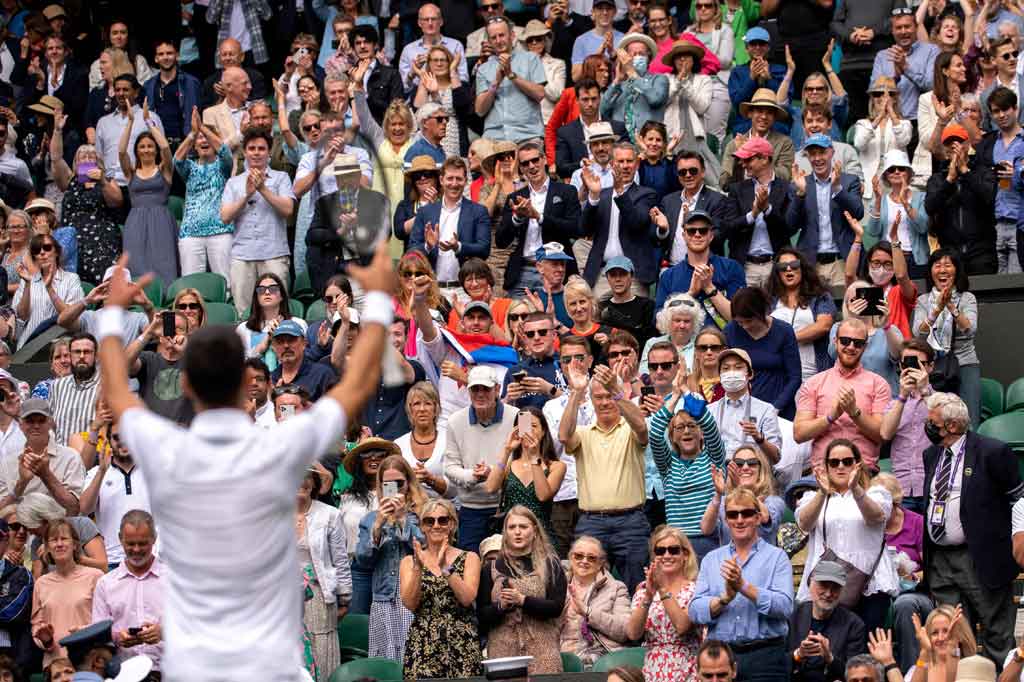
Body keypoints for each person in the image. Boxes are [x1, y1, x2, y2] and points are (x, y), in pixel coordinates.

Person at [95, 244, 394, 681]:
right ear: (245, 381)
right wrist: (381, 301)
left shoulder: (165, 450)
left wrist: (110, 314)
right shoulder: (279, 449)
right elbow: (360, 382)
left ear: (187, 384)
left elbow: (117, 392)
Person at [922, 392, 1022, 667]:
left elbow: (1018, 500)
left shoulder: (993, 452)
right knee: (952, 636)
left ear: (953, 425)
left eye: (933, 422)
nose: (927, 426)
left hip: (981, 558)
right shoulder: (931, 454)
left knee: (997, 636)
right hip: (940, 560)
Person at [560, 357, 650, 593]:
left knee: (637, 587)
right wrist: (576, 392)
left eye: (609, 396)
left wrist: (617, 392)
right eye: (599, 397)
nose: (605, 402)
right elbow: (563, 436)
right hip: (591, 521)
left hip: (630, 521)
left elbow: (641, 427)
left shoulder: (629, 428)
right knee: (584, 587)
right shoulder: (583, 432)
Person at [689, 487, 794, 682]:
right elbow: (695, 610)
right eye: (733, 514)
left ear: (757, 517)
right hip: (721, 659)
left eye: (746, 513)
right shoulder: (712, 559)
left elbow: (785, 607)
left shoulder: (777, 557)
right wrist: (724, 599)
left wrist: (743, 587)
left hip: (766, 656)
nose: (739, 520)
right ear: (726, 520)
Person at [796, 439, 895, 631]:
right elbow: (804, 524)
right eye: (834, 462)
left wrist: (856, 488)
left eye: (847, 461)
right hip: (828, 580)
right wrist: (822, 493)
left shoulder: (876, 493)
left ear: (857, 464)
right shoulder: (813, 497)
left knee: (867, 644)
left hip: (869, 581)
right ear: (826, 467)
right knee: (831, 644)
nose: (840, 466)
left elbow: (876, 517)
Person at [478, 505, 566, 674]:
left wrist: (523, 600)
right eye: (512, 527)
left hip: (542, 647)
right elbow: (482, 615)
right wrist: (501, 606)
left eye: (523, 527)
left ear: (534, 530)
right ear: (506, 532)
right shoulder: (491, 568)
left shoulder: (551, 564)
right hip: (502, 647)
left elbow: (556, 607)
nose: (517, 532)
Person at [647, 370, 724, 561]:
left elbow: (710, 426)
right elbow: (655, 433)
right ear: (672, 436)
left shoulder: (713, 457)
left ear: (701, 433)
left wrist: (685, 390)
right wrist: (674, 396)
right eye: (680, 428)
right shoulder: (668, 463)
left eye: (692, 426)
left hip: (710, 540)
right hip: (676, 545)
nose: (687, 431)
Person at [399, 498, 481, 679]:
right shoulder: (408, 562)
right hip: (423, 640)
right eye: (429, 521)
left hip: (461, 639)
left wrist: (445, 567)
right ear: (422, 526)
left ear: (452, 524)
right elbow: (410, 604)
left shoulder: (470, 558)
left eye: (442, 520)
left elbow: (467, 598)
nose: (436, 525)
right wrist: (418, 568)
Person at [794, 319, 891, 471]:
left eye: (858, 343)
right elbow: (799, 434)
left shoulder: (879, 384)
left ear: (865, 347)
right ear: (835, 342)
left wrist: (855, 413)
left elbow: (882, 435)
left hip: (863, 470)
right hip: (823, 470)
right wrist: (830, 417)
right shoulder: (814, 383)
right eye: (845, 341)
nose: (851, 347)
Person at [220, 128, 296, 315]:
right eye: (252, 148)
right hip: (242, 255)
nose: (256, 152)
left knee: (278, 311)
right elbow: (225, 216)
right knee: (243, 313)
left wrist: (263, 189)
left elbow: (288, 210)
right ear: (244, 152)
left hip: (274, 253)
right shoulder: (234, 183)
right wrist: (247, 195)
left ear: (269, 152)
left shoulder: (281, 178)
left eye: (261, 148)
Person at [498, 141, 582, 297]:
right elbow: (501, 241)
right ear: (521, 168)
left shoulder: (566, 191)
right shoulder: (515, 197)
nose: (531, 166)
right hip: (523, 272)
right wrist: (517, 218)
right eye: (525, 163)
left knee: (557, 320)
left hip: (557, 270)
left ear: (544, 160)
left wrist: (539, 217)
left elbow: (576, 229)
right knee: (520, 320)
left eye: (535, 160)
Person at [49, 117, 122, 287]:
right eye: (82, 156)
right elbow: (56, 158)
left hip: (102, 242)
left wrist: (102, 181)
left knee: (104, 283)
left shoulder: (108, 180)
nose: (87, 158)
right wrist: (58, 131)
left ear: (99, 162)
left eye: (92, 156)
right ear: (76, 163)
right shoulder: (69, 179)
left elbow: (117, 201)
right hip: (71, 241)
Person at [786, 134, 865, 287]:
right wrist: (800, 194)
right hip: (811, 264)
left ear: (831, 152)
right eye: (812, 153)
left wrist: (837, 189)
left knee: (848, 308)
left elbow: (858, 213)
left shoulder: (849, 181)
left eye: (821, 152)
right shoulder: (800, 184)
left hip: (842, 261)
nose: (817, 158)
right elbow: (790, 227)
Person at [872, 472, 932, 673]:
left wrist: (911, 576)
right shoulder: (869, 524)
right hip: (879, 591)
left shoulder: (916, 523)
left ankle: (911, 673)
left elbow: (933, 569)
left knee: (904, 605)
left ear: (896, 502)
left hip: (916, 593)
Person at [90, 510, 163, 670]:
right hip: (124, 671)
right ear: (120, 539)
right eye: (130, 544)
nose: (136, 549)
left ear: (154, 539)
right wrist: (117, 638)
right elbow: (98, 635)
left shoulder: (173, 580)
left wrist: (163, 632)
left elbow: (192, 624)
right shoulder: (106, 584)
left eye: (143, 543)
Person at [295, 468, 350, 680]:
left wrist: (345, 598)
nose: (302, 481)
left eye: (308, 476)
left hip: (319, 596)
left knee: (319, 651)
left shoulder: (330, 514)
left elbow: (341, 560)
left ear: (315, 483)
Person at [718, 137, 795, 288]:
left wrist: (767, 209)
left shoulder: (786, 188)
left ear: (764, 159)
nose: (743, 164)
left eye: (748, 160)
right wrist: (752, 214)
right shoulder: (737, 189)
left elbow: (788, 229)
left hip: (776, 266)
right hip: (745, 266)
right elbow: (727, 227)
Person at [30, 519, 104, 667]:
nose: (59, 544)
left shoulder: (96, 577)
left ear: (75, 544)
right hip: (55, 665)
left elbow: (105, 620)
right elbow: (36, 625)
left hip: (89, 661)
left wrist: (85, 632)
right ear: (47, 547)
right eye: (53, 540)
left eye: (64, 538)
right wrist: (45, 639)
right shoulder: (41, 584)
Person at [408, 157, 492, 285]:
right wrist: (428, 246)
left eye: (459, 179)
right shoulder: (425, 212)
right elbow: (411, 251)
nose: (454, 183)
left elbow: (484, 249)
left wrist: (458, 246)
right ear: (441, 180)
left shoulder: (479, 211)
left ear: (465, 181)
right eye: (450, 178)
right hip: (432, 288)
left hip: (466, 288)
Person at [173, 107, 233, 283]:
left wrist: (203, 128)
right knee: (191, 284)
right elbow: (177, 160)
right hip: (191, 232)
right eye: (200, 139)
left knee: (226, 282)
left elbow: (225, 151)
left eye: (207, 138)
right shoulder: (190, 167)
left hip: (220, 230)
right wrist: (193, 133)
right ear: (195, 146)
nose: (203, 140)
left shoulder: (223, 166)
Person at [654, 209, 745, 324]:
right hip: (684, 340)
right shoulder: (668, 276)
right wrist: (690, 294)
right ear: (684, 236)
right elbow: (659, 323)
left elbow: (739, 319)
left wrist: (709, 287)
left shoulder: (732, 268)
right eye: (691, 231)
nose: (697, 234)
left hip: (723, 340)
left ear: (711, 236)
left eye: (703, 231)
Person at [484, 406, 566, 531]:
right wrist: (507, 450)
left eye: (533, 426)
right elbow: (490, 488)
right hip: (512, 532)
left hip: (540, 532)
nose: (529, 431)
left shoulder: (556, 466)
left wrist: (534, 457)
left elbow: (543, 496)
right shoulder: (509, 464)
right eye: (524, 426)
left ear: (543, 431)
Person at [724, 288, 802, 420]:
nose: (744, 326)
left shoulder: (784, 331)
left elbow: (795, 377)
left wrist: (776, 408)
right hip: (742, 409)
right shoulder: (731, 331)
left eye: (749, 321)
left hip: (779, 410)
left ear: (761, 313)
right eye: (740, 322)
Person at [879, 340, 936, 512]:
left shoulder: (943, 399)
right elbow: (885, 434)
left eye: (918, 364)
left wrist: (925, 390)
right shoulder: (894, 404)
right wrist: (903, 395)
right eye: (906, 364)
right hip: (902, 489)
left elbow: (946, 425)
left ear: (930, 367)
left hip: (933, 488)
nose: (911, 369)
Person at [0, 398, 84, 515]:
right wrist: (22, 483)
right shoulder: (6, 462)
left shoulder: (70, 457)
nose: (36, 426)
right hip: (19, 530)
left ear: (50, 422)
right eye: (30, 421)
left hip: (57, 529)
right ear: (21, 424)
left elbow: (74, 508)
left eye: (41, 420)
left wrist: (46, 474)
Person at [788, 561, 868, 682]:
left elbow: (855, 673)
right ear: (810, 585)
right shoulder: (792, 616)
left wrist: (830, 658)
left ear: (842, 591)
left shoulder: (854, 625)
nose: (828, 593)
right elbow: (774, 662)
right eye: (823, 585)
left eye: (835, 588)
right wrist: (798, 654)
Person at [766, 248, 837, 382]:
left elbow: (824, 325)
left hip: (813, 374)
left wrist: (788, 339)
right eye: (782, 267)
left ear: (802, 268)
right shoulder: (768, 300)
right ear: (777, 272)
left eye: (794, 265)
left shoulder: (820, 296)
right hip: (778, 375)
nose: (788, 269)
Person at [560, 535, 632, 667]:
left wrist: (588, 612)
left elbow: (625, 630)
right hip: (562, 658)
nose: (584, 561)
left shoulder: (616, 588)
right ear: (570, 558)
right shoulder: (558, 586)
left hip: (601, 659)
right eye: (579, 556)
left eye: (591, 558)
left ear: (600, 564)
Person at [474, 16, 547, 142]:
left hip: (527, 135)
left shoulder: (530, 59)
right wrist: (496, 82)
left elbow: (540, 94)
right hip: (494, 137)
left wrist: (511, 75)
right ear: (489, 41)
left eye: (502, 35)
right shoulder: (483, 69)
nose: (498, 40)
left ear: (512, 35)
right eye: (493, 37)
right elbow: (480, 110)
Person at [653, 151, 730, 268]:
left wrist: (690, 223)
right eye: (682, 172)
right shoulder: (668, 201)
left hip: (704, 270)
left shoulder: (717, 200)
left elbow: (718, 238)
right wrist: (663, 230)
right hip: (673, 269)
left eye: (693, 171)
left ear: (703, 172)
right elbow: (658, 242)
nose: (688, 175)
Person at [706, 347, 782, 462]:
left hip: (752, 471)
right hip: (718, 472)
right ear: (720, 376)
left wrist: (759, 438)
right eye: (726, 368)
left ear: (750, 374)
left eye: (738, 367)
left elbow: (776, 457)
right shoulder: (709, 411)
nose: (731, 373)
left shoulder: (765, 410)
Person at [870, 8, 940, 130]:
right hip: (889, 122)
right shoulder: (882, 56)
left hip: (922, 122)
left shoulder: (932, 51)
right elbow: (874, 91)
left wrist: (906, 68)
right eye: (898, 28)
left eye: (907, 26)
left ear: (916, 27)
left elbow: (932, 86)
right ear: (892, 31)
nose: (903, 31)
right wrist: (895, 78)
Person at [701, 444, 783, 547]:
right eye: (739, 464)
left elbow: (765, 517)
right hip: (730, 561)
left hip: (764, 561)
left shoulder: (773, 501)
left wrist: (740, 487)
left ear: (761, 469)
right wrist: (718, 494)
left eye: (752, 463)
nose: (745, 467)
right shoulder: (724, 502)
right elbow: (706, 529)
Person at [12, 234, 83, 350]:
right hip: (27, 347)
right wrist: (28, 284)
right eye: (36, 250)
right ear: (34, 256)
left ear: (56, 252)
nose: (42, 252)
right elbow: (21, 317)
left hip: (60, 346)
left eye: (47, 247)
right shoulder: (27, 281)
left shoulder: (71, 279)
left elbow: (71, 316)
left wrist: (49, 288)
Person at [124, 311, 194, 424]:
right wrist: (149, 333)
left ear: (186, 335)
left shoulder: (194, 361)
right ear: (161, 337)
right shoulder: (149, 359)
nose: (173, 332)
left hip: (183, 434)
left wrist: (185, 350)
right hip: (152, 433)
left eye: (179, 329)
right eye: (170, 328)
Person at [95, 75, 165, 188]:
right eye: (117, 90)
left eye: (125, 90)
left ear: (136, 92)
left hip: (141, 183)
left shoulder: (150, 117)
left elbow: (162, 151)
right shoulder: (103, 122)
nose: (121, 93)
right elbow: (99, 157)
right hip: (111, 186)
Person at [720, 87, 795, 188]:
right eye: (759, 111)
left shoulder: (784, 143)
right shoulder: (734, 145)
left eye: (769, 112)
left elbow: (785, 176)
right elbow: (724, 184)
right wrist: (739, 158)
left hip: (772, 198)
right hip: (740, 200)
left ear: (774, 117)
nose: (764, 116)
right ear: (750, 113)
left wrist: (757, 161)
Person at [854, 77, 912, 207]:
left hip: (896, 183)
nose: (883, 98)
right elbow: (859, 143)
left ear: (895, 98)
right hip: (869, 184)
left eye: (890, 94)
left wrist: (891, 112)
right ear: (872, 99)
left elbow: (904, 140)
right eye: (877, 94)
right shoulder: (863, 123)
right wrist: (879, 116)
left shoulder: (904, 123)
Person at [601, 33, 669, 142]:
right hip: (621, 145)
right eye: (633, 54)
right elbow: (602, 111)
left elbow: (655, 100)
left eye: (641, 54)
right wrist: (617, 81)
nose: (637, 57)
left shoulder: (659, 79)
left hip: (650, 143)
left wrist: (632, 74)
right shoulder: (620, 84)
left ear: (648, 57)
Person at [395, 382, 452, 500]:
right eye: (416, 404)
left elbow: (453, 492)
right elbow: (390, 486)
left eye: (427, 403)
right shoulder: (398, 445)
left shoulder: (449, 441)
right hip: (407, 510)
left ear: (436, 408)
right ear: (410, 409)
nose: (422, 409)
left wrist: (430, 479)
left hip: (442, 511)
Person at [726, 27, 789, 134]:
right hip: (746, 123)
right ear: (746, 48)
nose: (758, 47)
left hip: (775, 123)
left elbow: (785, 102)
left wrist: (769, 78)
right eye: (753, 44)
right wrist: (751, 78)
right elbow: (737, 103)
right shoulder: (737, 72)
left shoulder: (781, 70)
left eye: (762, 44)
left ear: (768, 47)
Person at [46, 332, 99, 446]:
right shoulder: (57, 386)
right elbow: (50, 426)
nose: (81, 356)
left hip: (94, 460)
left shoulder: (107, 386)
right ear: (71, 355)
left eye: (87, 352)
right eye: (77, 352)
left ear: (96, 356)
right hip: (61, 459)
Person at [598, 257, 658, 350]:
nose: (618, 279)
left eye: (623, 274)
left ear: (632, 276)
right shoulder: (601, 307)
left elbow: (649, 340)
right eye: (613, 275)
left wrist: (612, 340)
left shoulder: (647, 305)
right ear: (607, 278)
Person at [640, 293, 703, 375]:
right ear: (667, 321)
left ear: (694, 323)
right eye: (677, 320)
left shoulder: (701, 344)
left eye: (687, 321)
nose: (682, 325)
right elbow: (644, 375)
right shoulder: (652, 344)